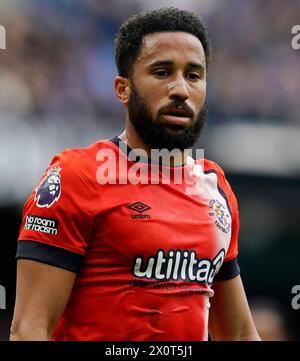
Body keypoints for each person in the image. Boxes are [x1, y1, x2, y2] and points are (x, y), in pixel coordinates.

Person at [10, 7, 260, 341]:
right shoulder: (76, 177)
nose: (181, 90)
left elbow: (240, 333)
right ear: (122, 89)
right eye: (162, 72)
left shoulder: (215, 188)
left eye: (194, 75)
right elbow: (29, 328)